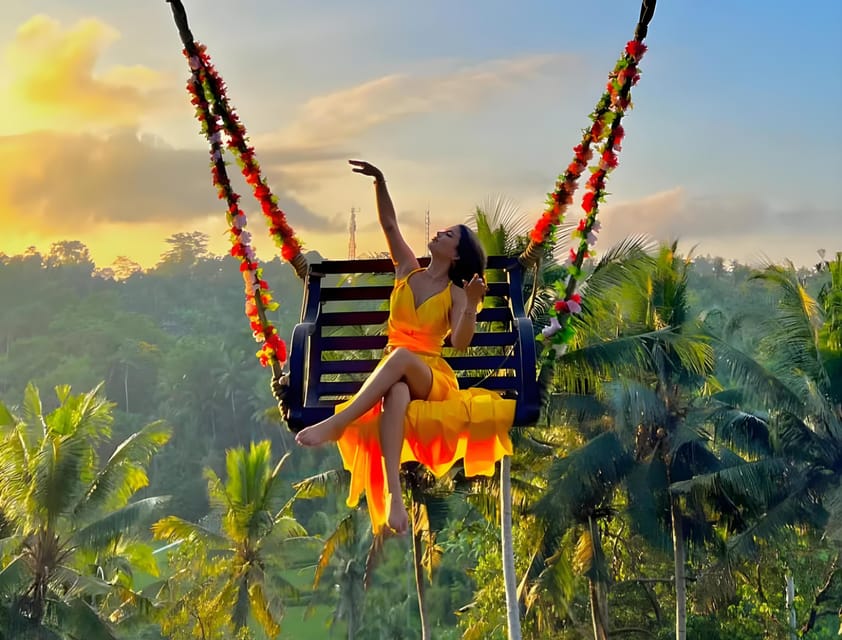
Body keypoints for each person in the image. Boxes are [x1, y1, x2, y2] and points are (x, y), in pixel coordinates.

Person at [296, 160, 515, 534]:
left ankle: (339, 423)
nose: (440, 234)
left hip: (432, 377)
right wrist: (380, 181)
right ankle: (396, 503)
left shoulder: (457, 292)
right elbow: (390, 225)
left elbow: (460, 344)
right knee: (395, 395)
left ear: (457, 255)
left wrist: (474, 306)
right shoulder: (407, 269)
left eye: (448, 235)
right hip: (398, 372)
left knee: (399, 361)